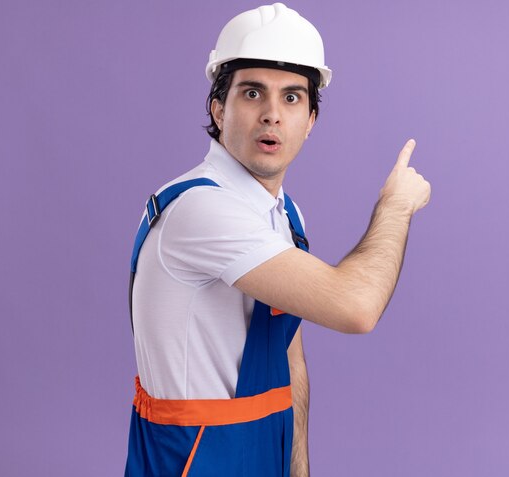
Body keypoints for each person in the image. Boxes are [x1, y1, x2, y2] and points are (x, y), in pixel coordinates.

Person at [124, 3, 431, 476]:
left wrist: (298, 468)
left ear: (310, 121)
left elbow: (290, 359)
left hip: (263, 452)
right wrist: (396, 205)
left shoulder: (281, 213)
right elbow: (357, 306)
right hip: (194, 462)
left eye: (291, 98)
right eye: (252, 93)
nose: (272, 115)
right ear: (217, 108)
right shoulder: (202, 210)